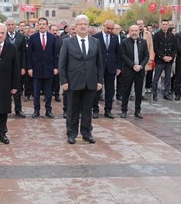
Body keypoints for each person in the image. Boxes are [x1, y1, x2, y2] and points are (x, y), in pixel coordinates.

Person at [59, 15, 103, 145]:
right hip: (73, 82)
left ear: (88, 26)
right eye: (80, 24)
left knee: (87, 110)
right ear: (75, 27)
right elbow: (62, 64)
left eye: (85, 24)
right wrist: (64, 81)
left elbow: (99, 63)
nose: (83, 26)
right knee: (72, 110)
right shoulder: (67, 42)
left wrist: (99, 81)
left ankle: (86, 133)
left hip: (90, 82)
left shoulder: (95, 42)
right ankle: (72, 133)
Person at [27, 17, 58, 118]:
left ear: (47, 25)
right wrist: (30, 68)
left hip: (49, 68)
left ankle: (48, 110)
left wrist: (55, 67)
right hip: (36, 69)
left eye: (43, 24)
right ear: (37, 25)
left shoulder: (52, 37)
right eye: (40, 24)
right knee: (36, 92)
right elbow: (29, 55)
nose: (42, 26)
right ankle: (36, 110)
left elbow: (55, 54)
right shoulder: (33, 38)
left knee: (48, 92)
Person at [92, 19, 121, 119]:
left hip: (111, 67)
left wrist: (118, 67)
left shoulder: (115, 37)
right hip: (98, 67)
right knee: (97, 89)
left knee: (110, 90)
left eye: (111, 28)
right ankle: (95, 110)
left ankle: (108, 110)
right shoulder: (96, 37)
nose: (109, 30)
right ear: (104, 26)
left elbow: (118, 53)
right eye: (108, 28)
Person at [120, 25, 149, 119]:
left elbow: (146, 56)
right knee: (126, 91)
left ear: (138, 31)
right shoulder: (124, 42)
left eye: (136, 30)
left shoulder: (143, 42)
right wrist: (133, 65)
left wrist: (141, 66)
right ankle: (124, 110)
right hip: (128, 70)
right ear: (129, 31)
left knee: (139, 91)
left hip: (139, 71)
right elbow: (123, 56)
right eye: (132, 30)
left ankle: (138, 110)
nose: (134, 32)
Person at [5, 18, 27, 118]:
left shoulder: (21, 37)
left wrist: (23, 67)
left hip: (17, 67)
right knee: (5, 90)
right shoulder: (2, 35)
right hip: (5, 66)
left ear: (15, 25)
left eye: (12, 24)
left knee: (17, 89)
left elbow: (23, 53)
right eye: (8, 24)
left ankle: (18, 109)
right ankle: (5, 109)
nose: (10, 26)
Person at [152, 19, 176, 101]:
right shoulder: (157, 35)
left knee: (168, 78)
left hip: (169, 60)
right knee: (156, 78)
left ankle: (166, 93)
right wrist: (163, 57)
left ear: (168, 25)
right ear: (161, 25)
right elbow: (156, 48)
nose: (165, 26)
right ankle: (154, 95)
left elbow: (174, 48)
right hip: (160, 60)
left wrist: (171, 57)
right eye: (163, 24)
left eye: (166, 24)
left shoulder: (172, 35)